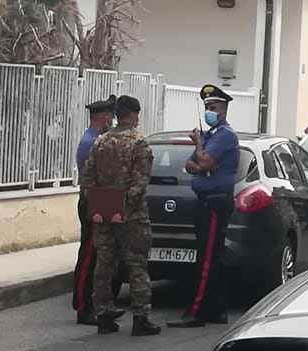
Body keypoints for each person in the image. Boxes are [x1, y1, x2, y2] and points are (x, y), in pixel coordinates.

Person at [80, 95, 159, 336]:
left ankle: (103, 315)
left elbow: (87, 179)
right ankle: (140, 317)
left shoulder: (101, 142)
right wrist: (124, 204)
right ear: (134, 115)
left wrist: (100, 206)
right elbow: (140, 182)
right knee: (136, 263)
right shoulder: (139, 143)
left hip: (104, 213)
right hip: (132, 215)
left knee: (104, 263)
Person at [172, 85, 240, 327]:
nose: (209, 111)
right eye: (207, 107)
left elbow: (204, 160)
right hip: (205, 200)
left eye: (213, 107)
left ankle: (196, 312)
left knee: (207, 259)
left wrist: (200, 149)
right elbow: (190, 164)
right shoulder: (212, 135)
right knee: (214, 257)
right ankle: (218, 310)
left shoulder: (224, 135)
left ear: (224, 109)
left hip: (215, 202)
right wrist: (203, 163)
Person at [72, 95, 116, 325]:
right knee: (89, 254)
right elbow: (93, 178)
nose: (112, 121)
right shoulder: (91, 141)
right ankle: (83, 306)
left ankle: (99, 304)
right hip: (93, 200)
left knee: (101, 255)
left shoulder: (97, 139)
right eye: (110, 116)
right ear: (103, 117)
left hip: (101, 198)